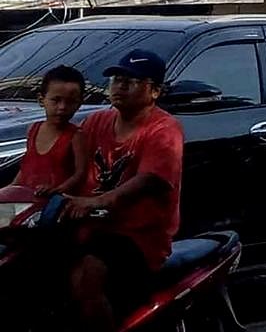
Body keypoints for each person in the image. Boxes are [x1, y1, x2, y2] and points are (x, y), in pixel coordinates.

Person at [63, 49, 184, 332]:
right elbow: (65, 158)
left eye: (130, 81)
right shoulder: (96, 122)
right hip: (87, 227)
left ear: (154, 91)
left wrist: (96, 202)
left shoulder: (164, 129)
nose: (119, 86)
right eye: (116, 79)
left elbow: (148, 180)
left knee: (86, 277)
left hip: (135, 236)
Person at [15, 65, 88, 196]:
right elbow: (26, 168)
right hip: (27, 200)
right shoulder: (33, 129)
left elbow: (80, 174)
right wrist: (11, 188)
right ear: (41, 100)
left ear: (79, 104)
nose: (62, 107)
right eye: (56, 100)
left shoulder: (76, 136)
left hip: (56, 203)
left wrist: (57, 190)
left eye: (70, 102)